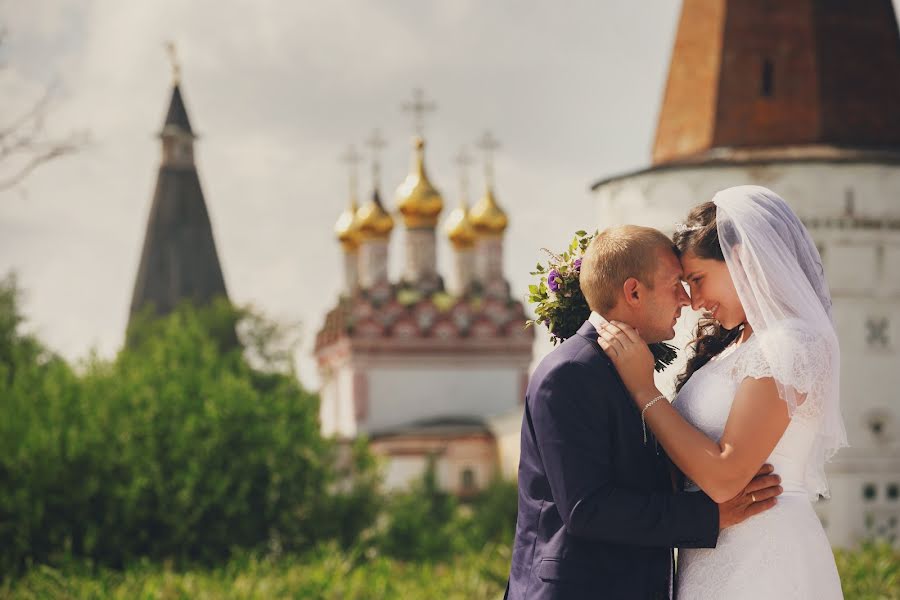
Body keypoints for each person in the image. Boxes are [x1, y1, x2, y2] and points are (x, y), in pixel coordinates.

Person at [505, 224, 783, 600]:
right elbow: (588, 508)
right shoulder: (571, 372)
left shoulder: (628, 367)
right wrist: (711, 515)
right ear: (633, 291)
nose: (686, 300)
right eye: (675, 285)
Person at [596, 186, 847, 598]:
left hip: (767, 556)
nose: (694, 301)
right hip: (711, 554)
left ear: (741, 259)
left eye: (697, 279)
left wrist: (645, 390)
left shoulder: (791, 343)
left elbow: (727, 478)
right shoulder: (732, 347)